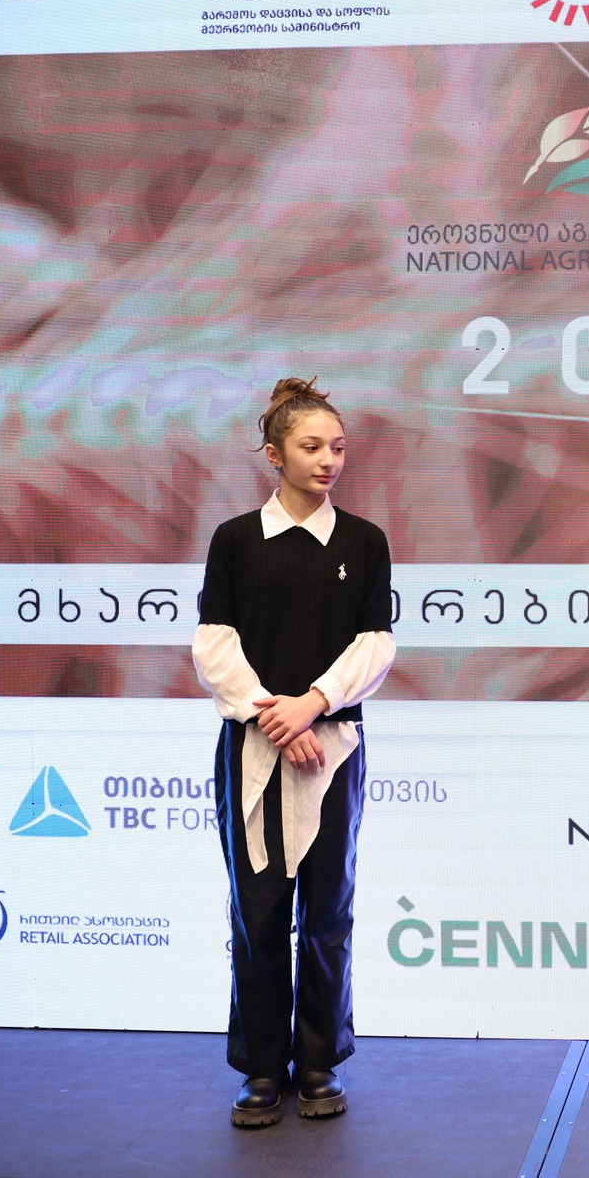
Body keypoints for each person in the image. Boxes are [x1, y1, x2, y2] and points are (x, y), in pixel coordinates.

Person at [192, 378, 395, 1128]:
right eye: (312, 447)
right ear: (274, 455)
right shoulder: (235, 540)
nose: (328, 460)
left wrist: (313, 702)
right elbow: (215, 644)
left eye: (337, 447)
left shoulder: (364, 542)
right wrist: (271, 715)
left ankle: (318, 1062)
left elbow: (375, 645)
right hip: (252, 749)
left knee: (327, 912)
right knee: (257, 912)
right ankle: (260, 1068)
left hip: (333, 748)